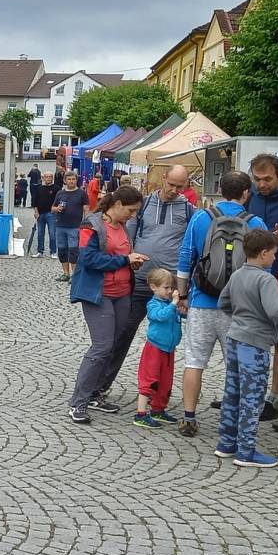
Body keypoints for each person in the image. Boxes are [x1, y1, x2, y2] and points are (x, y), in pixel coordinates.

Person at [176, 171, 267, 437]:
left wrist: (182, 296)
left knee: (194, 361)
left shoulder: (202, 217)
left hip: (202, 300)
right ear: (246, 193)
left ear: (219, 189)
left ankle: (189, 417)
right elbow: (263, 267)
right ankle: (233, 419)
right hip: (239, 307)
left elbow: (186, 257)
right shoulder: (256, 222)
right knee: (236, 365)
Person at [97, 165, 192, 406]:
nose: (174, 190)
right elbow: (127, 237)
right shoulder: (145, 204)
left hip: (169, 288)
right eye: (171, 184)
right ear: (163, 178)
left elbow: (191, 245)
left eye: (180, 186)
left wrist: (183, 290)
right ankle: (99, 386)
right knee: (122, 335)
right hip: (139, 283)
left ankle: (159, 396)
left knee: (165, 342)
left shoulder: (188, 209)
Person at [215, 229, 278, 468]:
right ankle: (246, 451)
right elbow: (275, 311)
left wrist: (240, 317)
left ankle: (227, 443)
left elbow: (223, 303)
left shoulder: (237, 275)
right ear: (264, 253)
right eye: (275, 254)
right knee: (253, 397)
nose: (276, 259)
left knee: (232, 392)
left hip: (235, 338)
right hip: (254, 343)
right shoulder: (266, 279)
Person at [68, 186, 145, 424]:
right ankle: (77, 402)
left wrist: (132, 263)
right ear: (118, 204)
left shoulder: (122, 227)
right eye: (130, 211)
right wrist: (124, 259)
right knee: (101, 347)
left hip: (122, 293)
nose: (132, 216)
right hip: (97, 293)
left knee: (113, 346)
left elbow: (120, 255)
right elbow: (87, 259)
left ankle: (95, 393)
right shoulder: (90, 225)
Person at [246, 153, 278, 419]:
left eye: (267, 179)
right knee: (249, 335)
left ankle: (274, 399)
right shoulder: (249, 194)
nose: (262, 184)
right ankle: (246, 393)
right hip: (251, 277)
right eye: (257, 179)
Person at [133, 269, 182, 429]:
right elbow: (160, 316)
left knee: (165, 382)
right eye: (166, 288)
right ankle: (140, 414)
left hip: (169, 348)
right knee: (150, 380)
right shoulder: (153, 304)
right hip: (154, 348)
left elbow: (177, 316)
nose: (170, 291)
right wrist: (174, 304)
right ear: (154, 287)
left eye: (171, 288)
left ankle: (158, 409)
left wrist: (182, 310)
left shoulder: (170, 304)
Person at [52, 171, 89, 282]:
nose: (71, 181)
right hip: (60, 225)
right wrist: (56, 208)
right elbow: (52, 208)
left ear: (76, 180)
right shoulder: (60, 193)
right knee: (62, 250)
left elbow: (86, 209)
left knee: (73, 251)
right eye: (69, 179)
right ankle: (65, 273)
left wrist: (86, 223)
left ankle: (74, 275)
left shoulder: (81, 193)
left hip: (75, 226)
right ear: (65, 180)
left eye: (73, 179)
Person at [32, 172, 59, 259]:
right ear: (43, 178)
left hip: (51, 214)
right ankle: (40, 251)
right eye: (46, 177)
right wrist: (36, 212)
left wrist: (57, 211)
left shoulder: (56, 188)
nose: (48, 178)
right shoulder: (39, 188)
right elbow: (35, 201)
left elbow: (59, 201)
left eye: (50, 176)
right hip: (40, 214)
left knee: (52, 233)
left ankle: (53, 252)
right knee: (40, 233)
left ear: (52, 178)